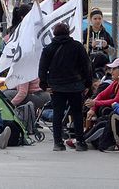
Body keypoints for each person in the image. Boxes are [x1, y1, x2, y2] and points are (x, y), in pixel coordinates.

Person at [39, 23, 92, 152]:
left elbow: (42, 69)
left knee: (57, 114)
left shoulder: (49, 48)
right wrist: (87, 84)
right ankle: (80, 141)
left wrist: (44, 85)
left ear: (54, 33)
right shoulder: (77, 47)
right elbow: (87, 66)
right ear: (68, 32)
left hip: (56, 87)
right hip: (75, 86)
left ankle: (58, 143)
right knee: (77, 114)